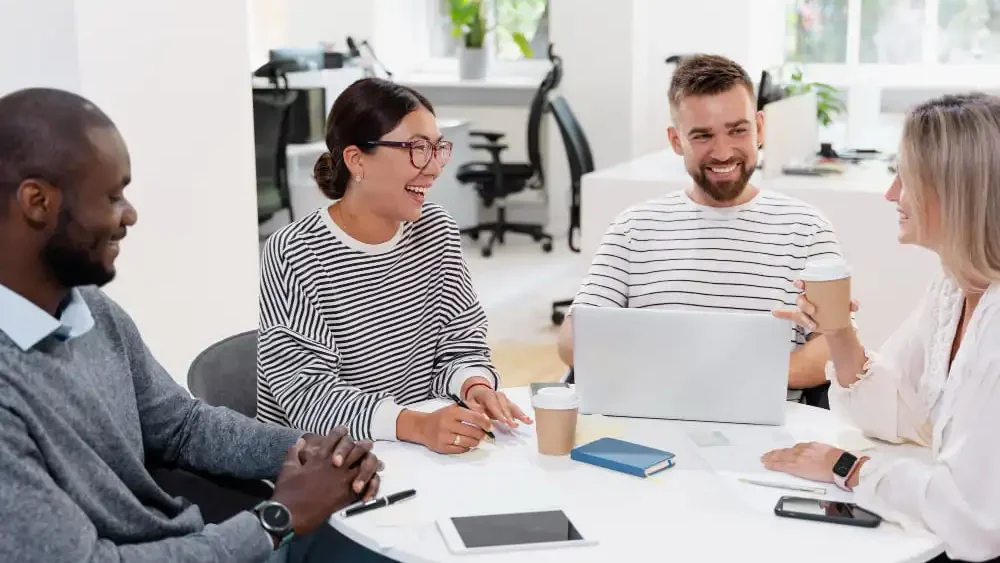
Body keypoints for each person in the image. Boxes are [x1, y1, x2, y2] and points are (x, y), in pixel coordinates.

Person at [0, 87, 385, 563]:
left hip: (209, 538)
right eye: (112, 195)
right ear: (38, 201)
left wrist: (312, 452)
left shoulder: (94, 313)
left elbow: (182, 427)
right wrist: (277, 518)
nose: (130, 215)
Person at [763, 93, 1000, 563]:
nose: (891, 194)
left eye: (905, 178)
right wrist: (836, 329)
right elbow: (894, 415)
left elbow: (974, 522)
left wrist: (846, 467)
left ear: (955, 191)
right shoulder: (954, 288)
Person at [257, 77, 533, 455]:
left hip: (416, 453)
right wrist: (416, 425)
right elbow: (308, 397)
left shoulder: (436, 230)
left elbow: (461, 343)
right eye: (417, 149)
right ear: (356, 160)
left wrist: (475, 386)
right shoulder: (294, 252)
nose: (434, 168)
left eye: (438, 149)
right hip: (322, 466)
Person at [556, 54, 843, 404]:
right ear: (676, 140)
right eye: (703, 136)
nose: (723, 152)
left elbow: (835, 346)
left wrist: (718, 378)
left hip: (772, 432)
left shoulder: (808, 229)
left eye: (738, 130)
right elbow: (573, 340)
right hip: (650, 419)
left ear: (760, 128)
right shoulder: (634, 228)